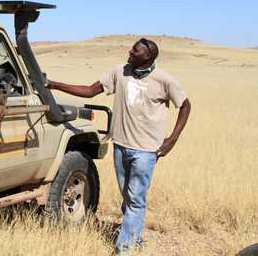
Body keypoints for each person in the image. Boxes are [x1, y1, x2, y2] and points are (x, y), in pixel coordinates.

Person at [46, 38, 191, 254]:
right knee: (128, 197)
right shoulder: (120, 71)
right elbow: (90, 90)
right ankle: (137, 240)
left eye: (136, 50)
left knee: (135, 198)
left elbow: (186, 105)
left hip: (146, 150)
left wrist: (172, 139)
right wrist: (54, 84)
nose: (130, 51)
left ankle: (124, 248)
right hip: (121, 146)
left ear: (148, 56)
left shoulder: (164, 80)